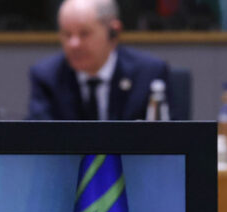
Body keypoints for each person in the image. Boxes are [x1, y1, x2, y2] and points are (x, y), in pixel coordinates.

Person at [27, 0, 171, 121]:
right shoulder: (47, 77)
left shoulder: (149, 74)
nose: (73, 44)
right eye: (67, 34)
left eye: (84, 34)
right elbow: (39, 142)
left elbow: (173, 142)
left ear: (113, 32)